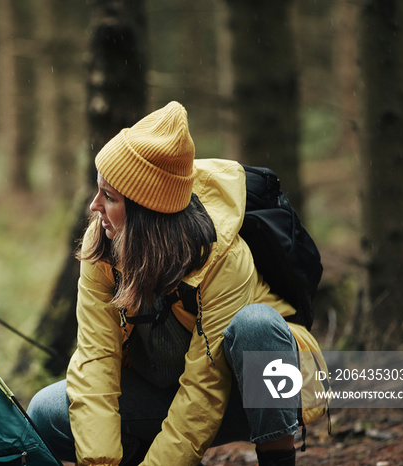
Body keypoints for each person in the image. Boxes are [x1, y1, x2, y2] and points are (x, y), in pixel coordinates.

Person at [27, 101, 327, 466]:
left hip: (244, 397)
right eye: (99, 190)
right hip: (163, 391)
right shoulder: (102, 244)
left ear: (145, 212)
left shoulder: (222, 256)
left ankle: (277, 460)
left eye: (109, 197)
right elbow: (96, 360)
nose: (94, 207)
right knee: (47, 410)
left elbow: (206, 387)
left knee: (256, 326)